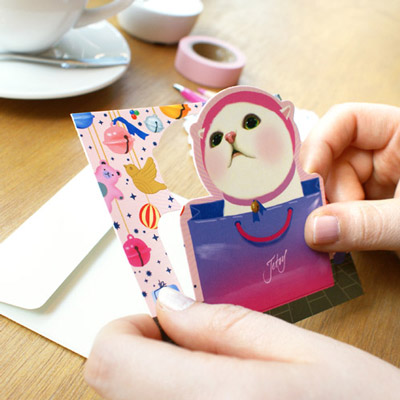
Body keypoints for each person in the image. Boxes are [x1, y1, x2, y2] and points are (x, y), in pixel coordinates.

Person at [84, 103, 400, 399]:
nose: (231, 137)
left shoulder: (307, 192)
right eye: (216, 138)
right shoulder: (202, 222)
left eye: (250, 122)